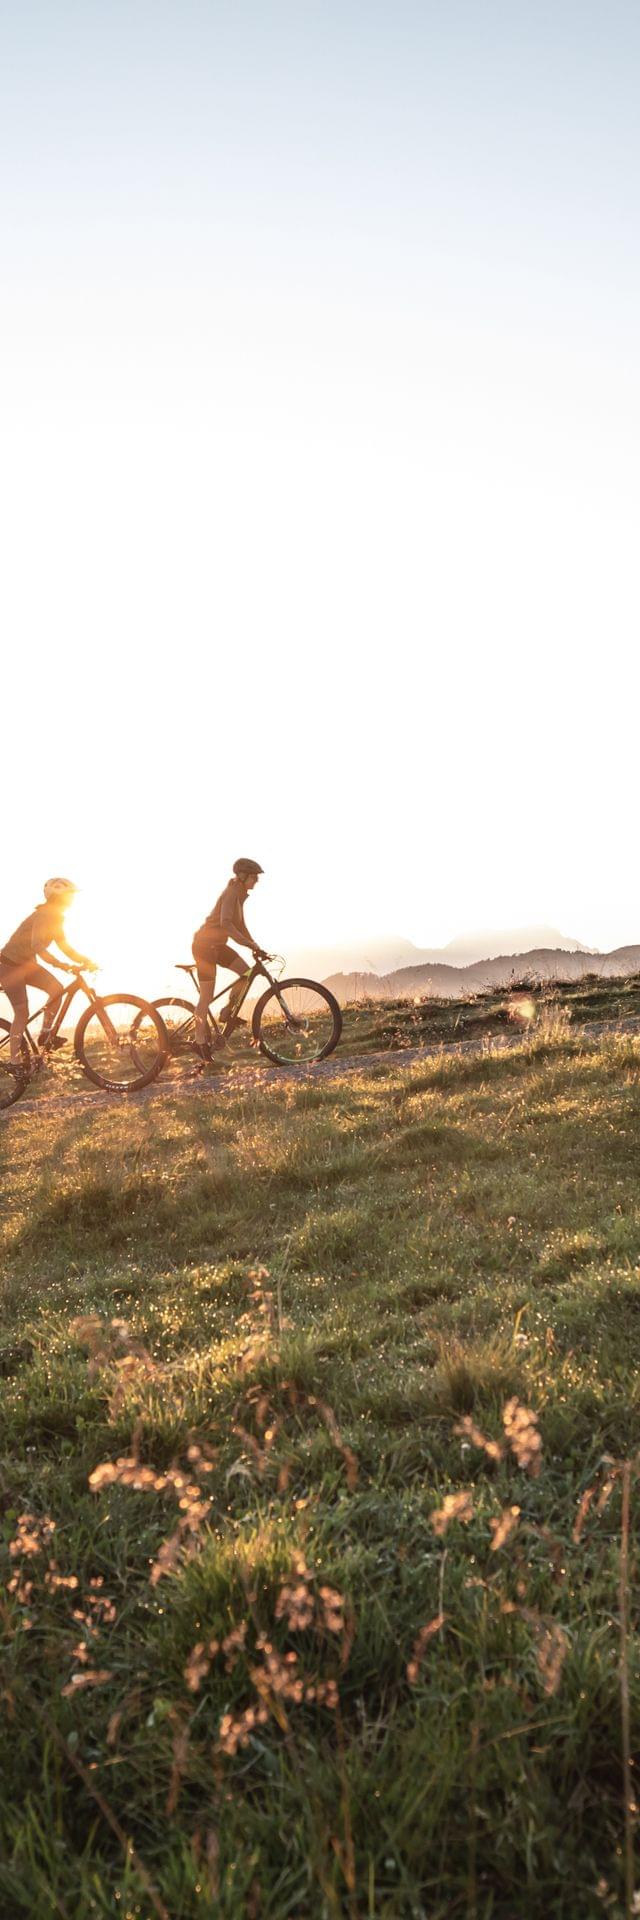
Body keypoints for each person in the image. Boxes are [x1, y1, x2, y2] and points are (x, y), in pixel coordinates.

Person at [0, 879, 96, 1072]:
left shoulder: (57, 917)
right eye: (70, 896)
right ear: (58, 897)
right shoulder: (44, 915)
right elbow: (37, 946)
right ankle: (14, 1062)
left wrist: (84, 960)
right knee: (21, 1011)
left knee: (56, 990)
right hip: (8, 966)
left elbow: (64, 946)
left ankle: (45, 1035)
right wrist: (61, 965)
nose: (72, 899)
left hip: (26, 965)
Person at [192, 858, 267, 1054]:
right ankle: (199, 1041)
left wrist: (254, 945)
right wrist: (248, 943)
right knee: (206, 996)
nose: (257, 881)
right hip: (205, 947)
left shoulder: (239, 894)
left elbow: (240, 925)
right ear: (242, 877)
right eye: (254, 877)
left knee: (247, 974)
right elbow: (226, 923)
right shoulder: (232, 892)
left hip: (217, 946)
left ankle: (226, 1012)